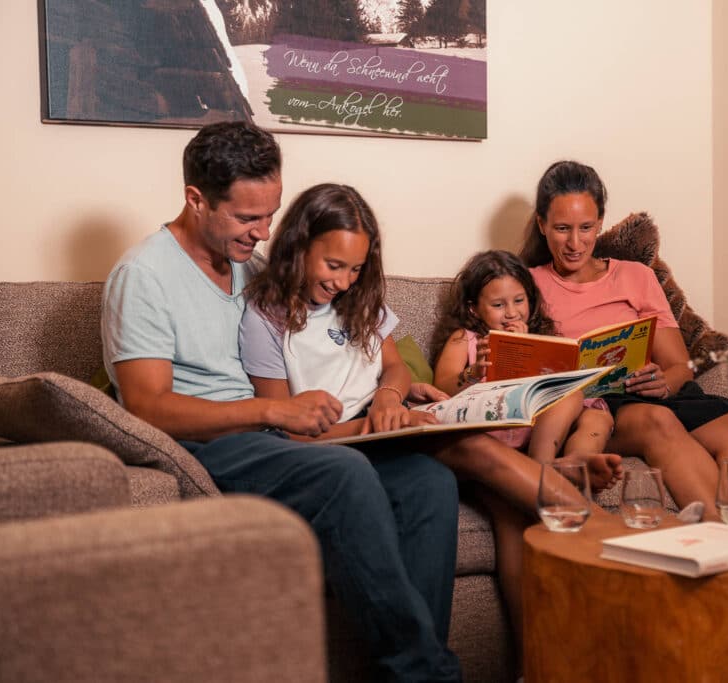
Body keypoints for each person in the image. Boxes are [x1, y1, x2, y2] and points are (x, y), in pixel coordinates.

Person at [101, 121, 461, 682]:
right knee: (343, 473)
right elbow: (148, 408)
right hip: (209, 445)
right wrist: (270, 411)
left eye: (269, 215)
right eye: (248, 217)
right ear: (196, 199)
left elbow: (337, 329)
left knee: (427, 483)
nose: (264, 232)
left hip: (273, 441)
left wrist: (397, 384)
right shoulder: (142, 277)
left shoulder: (252, 264)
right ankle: (430, 673)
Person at [238, 184, 621, 670]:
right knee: (470, 450)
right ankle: (603, 530)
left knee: (446, 467)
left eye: (356, 269)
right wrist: (369, 428)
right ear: (297, 248)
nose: (344, 282)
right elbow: (284, 430)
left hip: (384, 425)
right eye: (333, 266)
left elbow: (395, 367)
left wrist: (388, 396)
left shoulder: (360, 299)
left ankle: (430, 660)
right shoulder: (265, 316)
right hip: (336, 441)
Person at [519, 160, 728, 520]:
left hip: (647, 394)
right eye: (562, 229)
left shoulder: (636, 276)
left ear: (600, 222)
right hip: (595, 410)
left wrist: (664, 382)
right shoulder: (527, 284)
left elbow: (680, 367)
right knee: (656, 421)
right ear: (542, 225)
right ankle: (725, 538)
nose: (575, 242)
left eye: (586, 228)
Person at [430, 249, 617, 469]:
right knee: (570, 398)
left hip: (542, 425)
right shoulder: (465, 339)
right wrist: (474, 372)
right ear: (474, 310)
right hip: (497, 421)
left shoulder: (541, 334)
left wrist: (531, 347)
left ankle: (577, 462)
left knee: (596, 415)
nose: (512, 313)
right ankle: (541, 468)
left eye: (519, 300)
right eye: (498, 305)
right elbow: (441, 385)